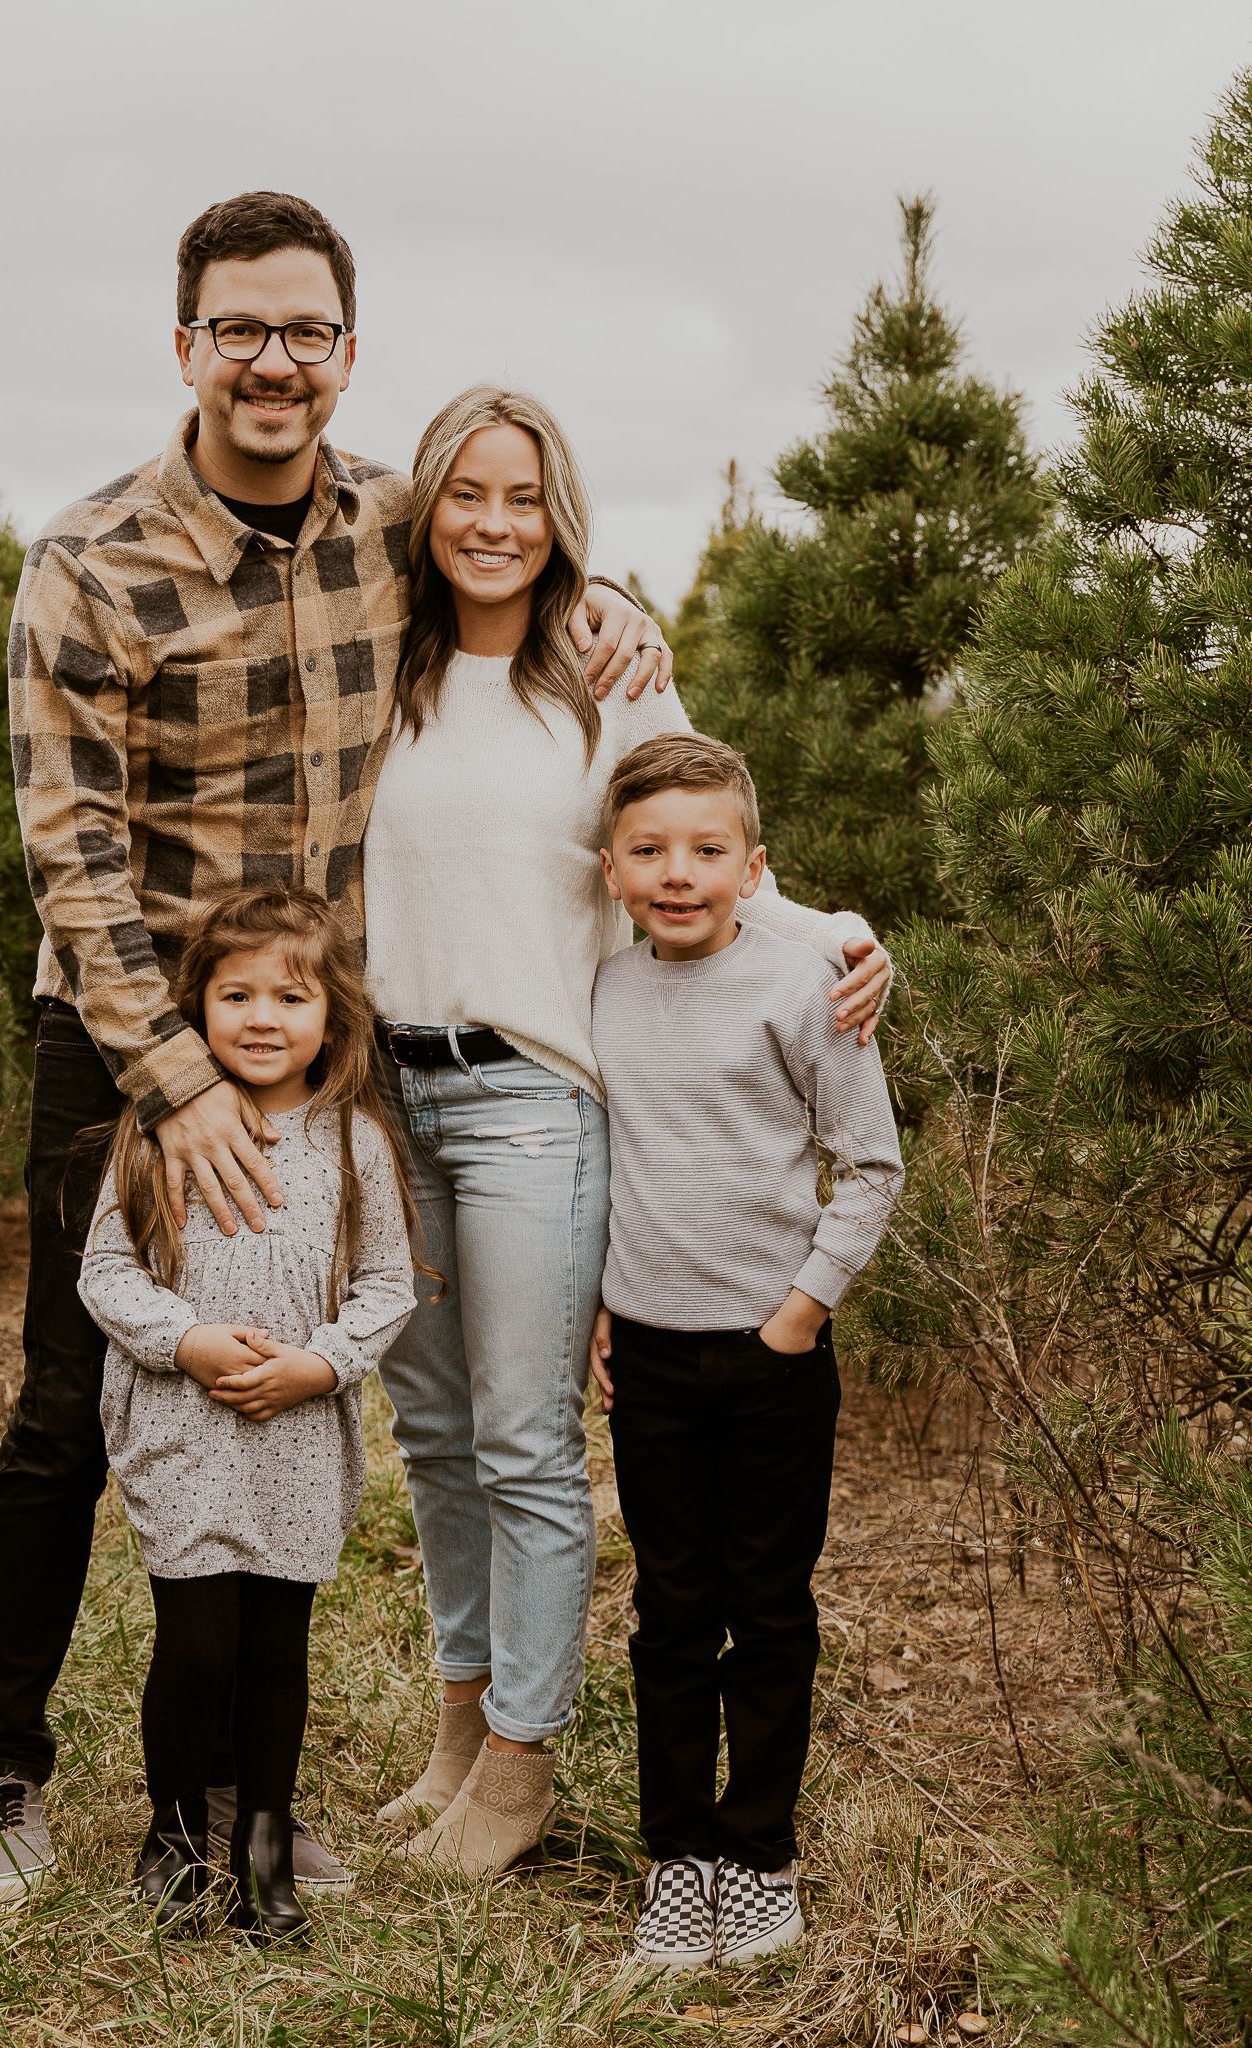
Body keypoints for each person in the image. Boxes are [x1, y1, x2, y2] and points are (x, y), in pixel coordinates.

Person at [0, 191, 662, 1902]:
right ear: (183, 343)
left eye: (306, 332)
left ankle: (227, 1786)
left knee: (287, 1414)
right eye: (239, 329)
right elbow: (72, 847)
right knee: (75, 1396)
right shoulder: (91, 559)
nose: (274, 361)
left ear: (347, 353)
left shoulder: (386, 520)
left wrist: (616, 596)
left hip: (326, 1048)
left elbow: (521, 531)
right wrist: (172, 1076)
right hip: (127, 1037)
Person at [363, 389, 894, 1878]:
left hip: (530, 1096)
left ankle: (525, 1764)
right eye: (463, 493)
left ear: (559, 516)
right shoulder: (375, 674)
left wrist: (832, 927)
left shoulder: (602, 673)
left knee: (525, 1439)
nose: (490, 523)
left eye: (522, 497)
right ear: (423, 508)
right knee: (432, 1436)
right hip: (385, 1090)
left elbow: (691, 847)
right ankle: (460, 1726)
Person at [587, 732, 904, 1969]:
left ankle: (759, 1854)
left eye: (707, 851)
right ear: (611, 870)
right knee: (672, 1610)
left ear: (752, 867)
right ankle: (680, 1856)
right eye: (651, 851)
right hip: (650, 1359)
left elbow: (872, 1166)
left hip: (772, 1356)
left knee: (766, 1606)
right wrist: (609, 1303)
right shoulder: (605, 991)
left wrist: (800, 1315)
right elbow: (618, 1163)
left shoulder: (805, 986)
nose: (679, 873)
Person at [78, 886, 416, 1940]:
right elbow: (105, 1270)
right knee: (198, 1642)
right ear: (197, 1007)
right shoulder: (157, 1128)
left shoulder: (356, 1138)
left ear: (334, 1013)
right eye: (236, 994)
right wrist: (187, 1339)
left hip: (300, 1434)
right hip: (187, 1427)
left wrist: (322, 1362)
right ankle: (174, 1840)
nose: (262, 1016)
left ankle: (263, 1847)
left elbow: (388, 1285)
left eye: (290, 994)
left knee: (275, 1646)